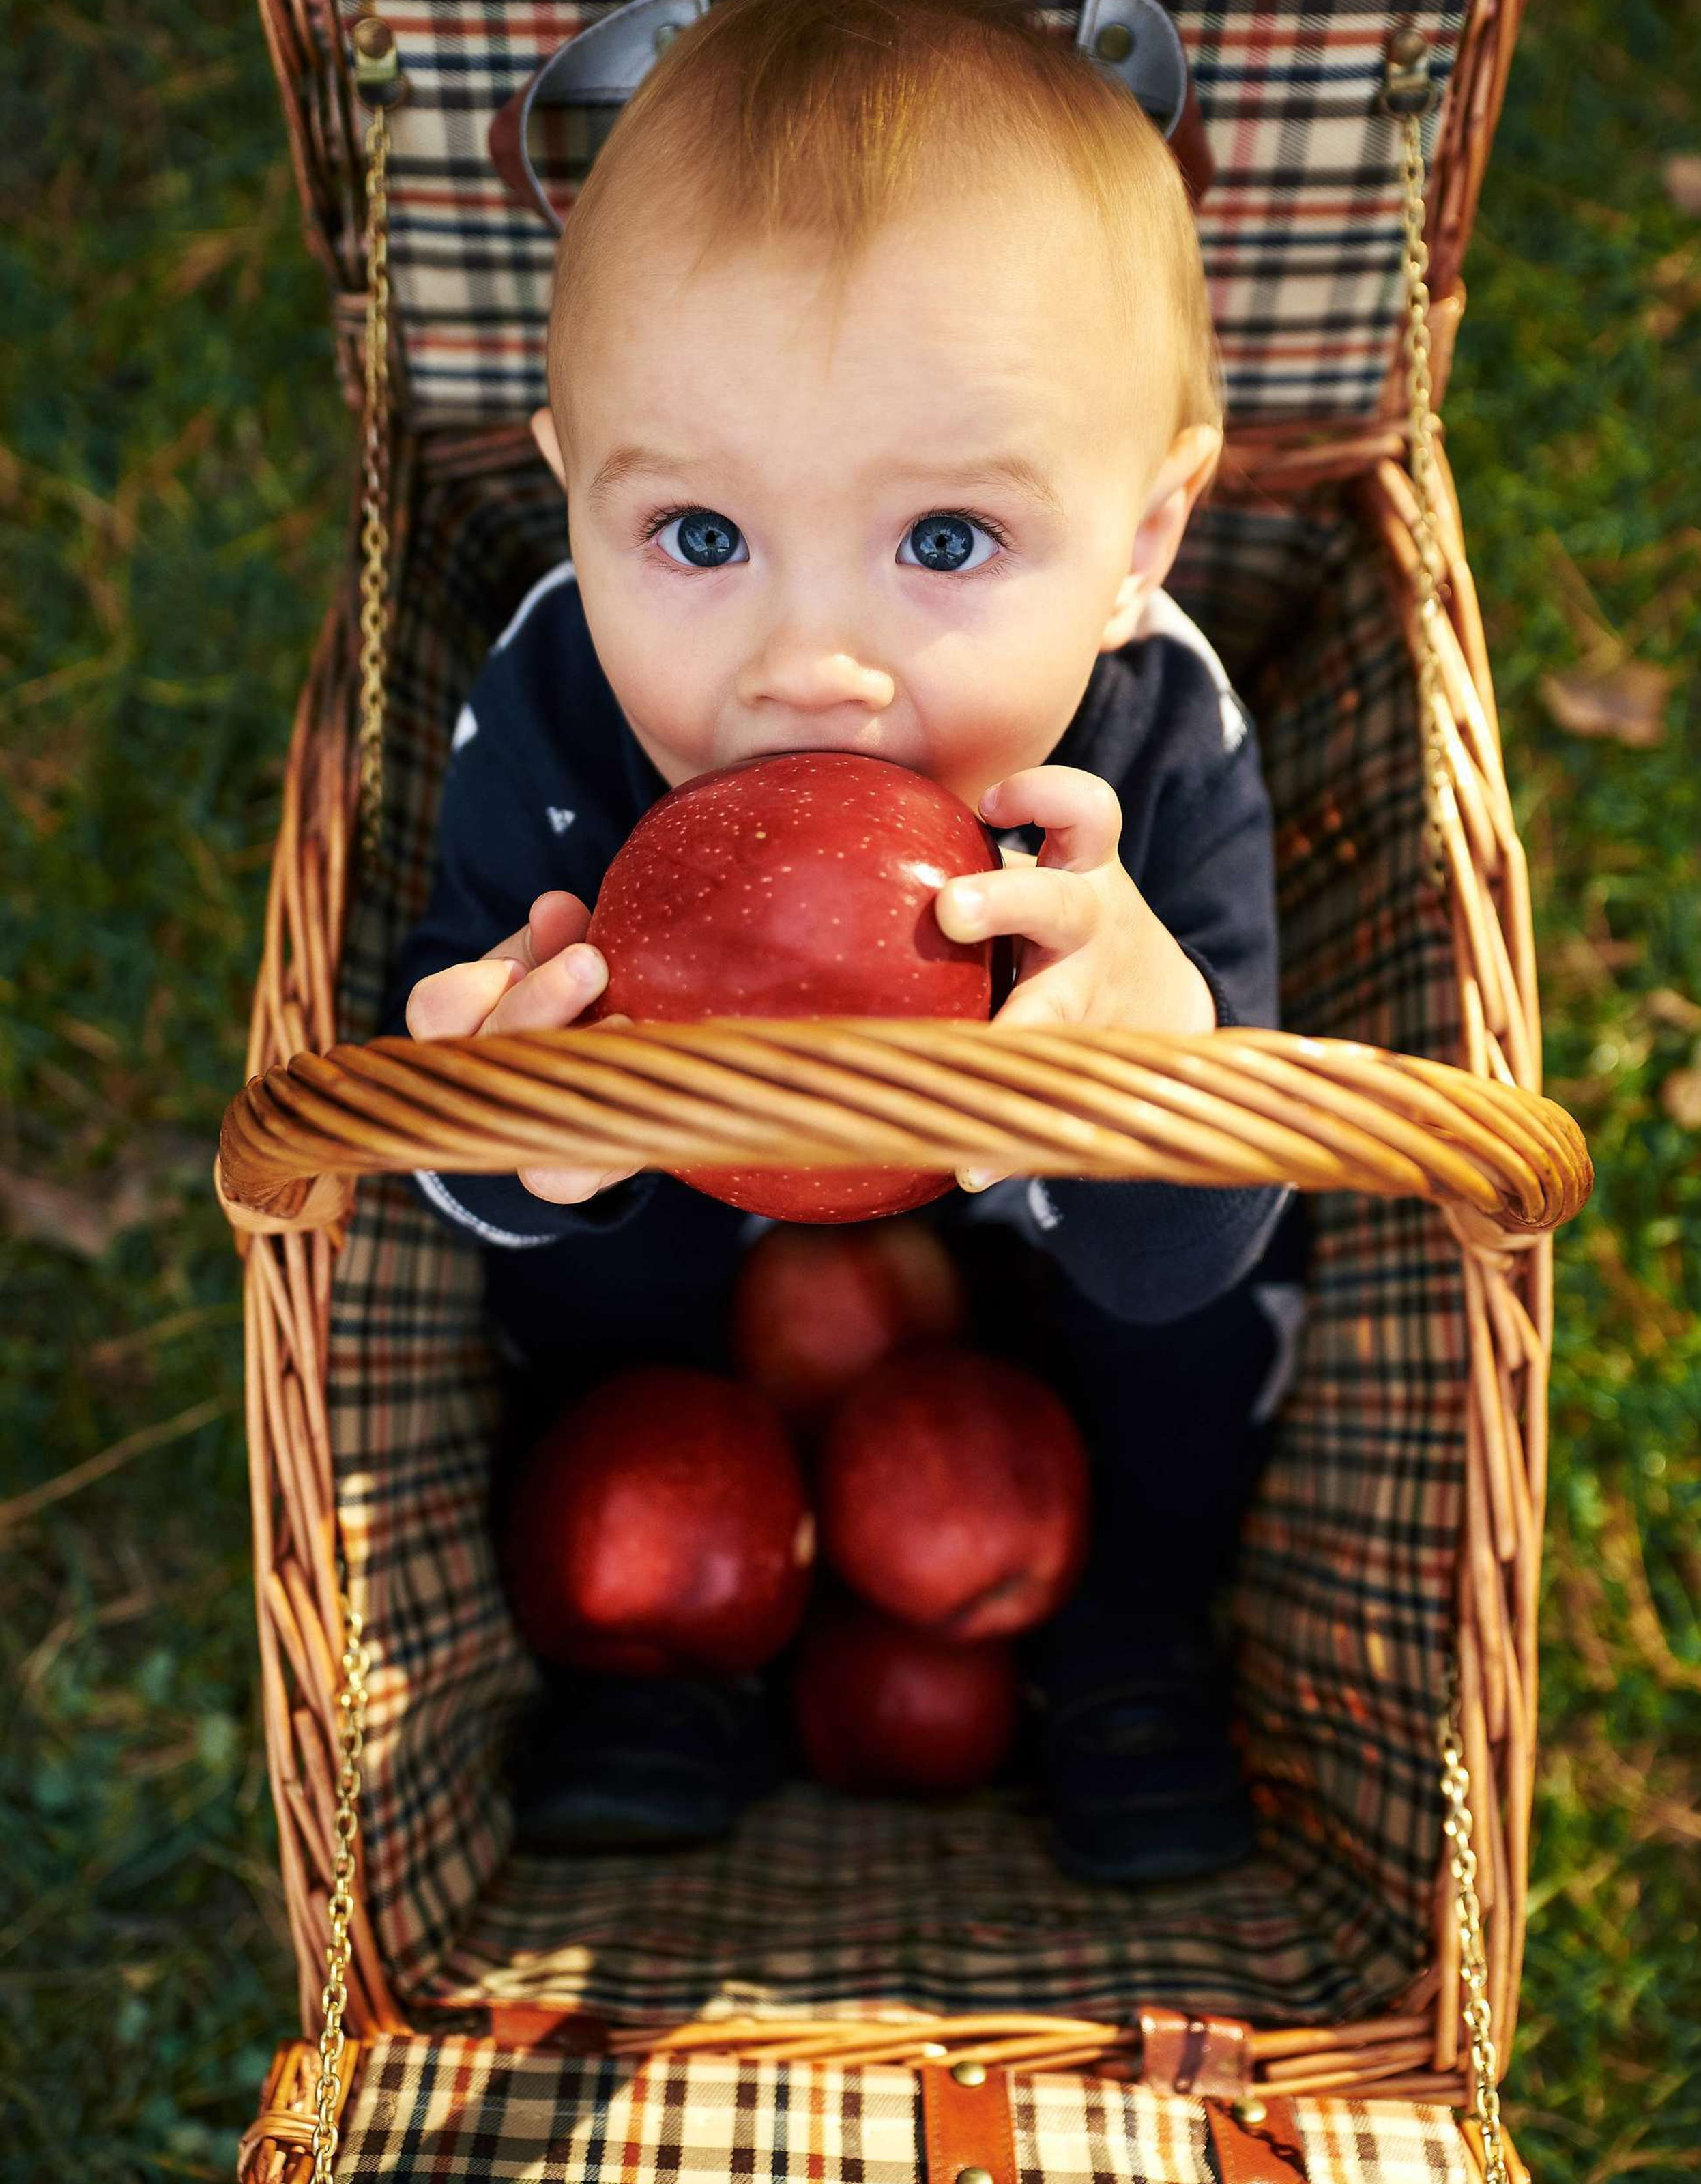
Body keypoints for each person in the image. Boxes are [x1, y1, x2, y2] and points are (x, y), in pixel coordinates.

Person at [381, 0, 1307, 1884]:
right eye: (701, 537)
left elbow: (1199, 1244)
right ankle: (674, 1655)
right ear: (577, 487)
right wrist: (514, 1136)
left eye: (949, 542)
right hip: (697, 1250)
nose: (809, 666)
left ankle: (1130, 1636)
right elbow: (453, 1102)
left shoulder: (1154, 742)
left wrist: (1152, 1076)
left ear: (1142, 541)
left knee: (1195, 1345)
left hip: (1042, 1270)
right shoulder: (560, 706)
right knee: (578, 1310)